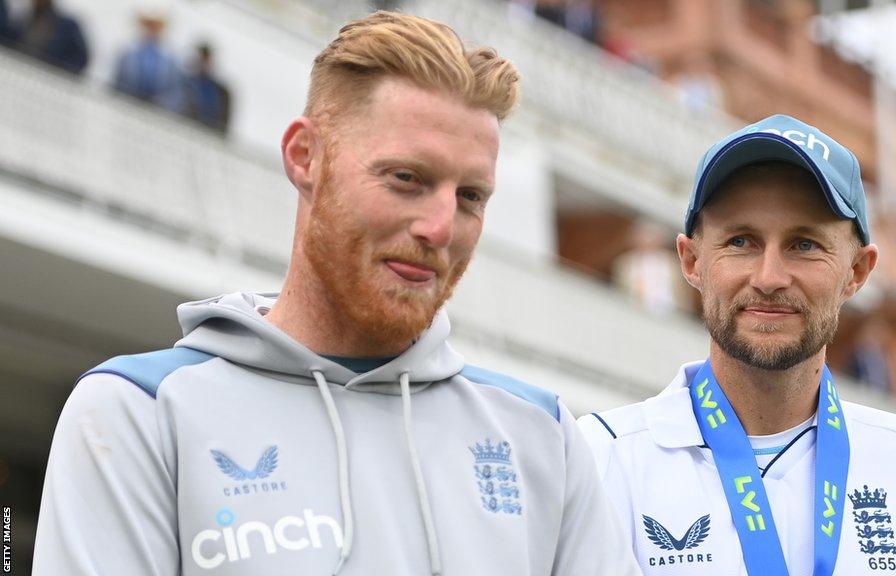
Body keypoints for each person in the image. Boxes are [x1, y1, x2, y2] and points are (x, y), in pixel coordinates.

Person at [33, 12, 640, 576]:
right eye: (407, 178)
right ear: (305, 157)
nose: (440, 227)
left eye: (471, 197)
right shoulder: (137, 412)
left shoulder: (543, 433)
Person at [579, 114, 896, 575]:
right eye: (741, 241)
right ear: (692, 261)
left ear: (857, 271)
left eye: (804, 244)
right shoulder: (601, 456)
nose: (769, 278)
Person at [112, 11, 179, 109]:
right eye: (149, 25)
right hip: (128, 105)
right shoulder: (127, 53)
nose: (152, 30)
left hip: (156, 110)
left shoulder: (170, 60)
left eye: (156, 26)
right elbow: (117, 81)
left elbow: (173, 91)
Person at [9, 0, 88, 74]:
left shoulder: (66, 26)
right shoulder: (23, 20)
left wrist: (59, 72)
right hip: (22, 72)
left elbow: (81, 58)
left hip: (48, 78)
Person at [180, 42, 231, 133]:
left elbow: (224, 124)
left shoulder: (222, 92)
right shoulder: (186, 84)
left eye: (205, 59)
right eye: (200, 59)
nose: (202, 63)